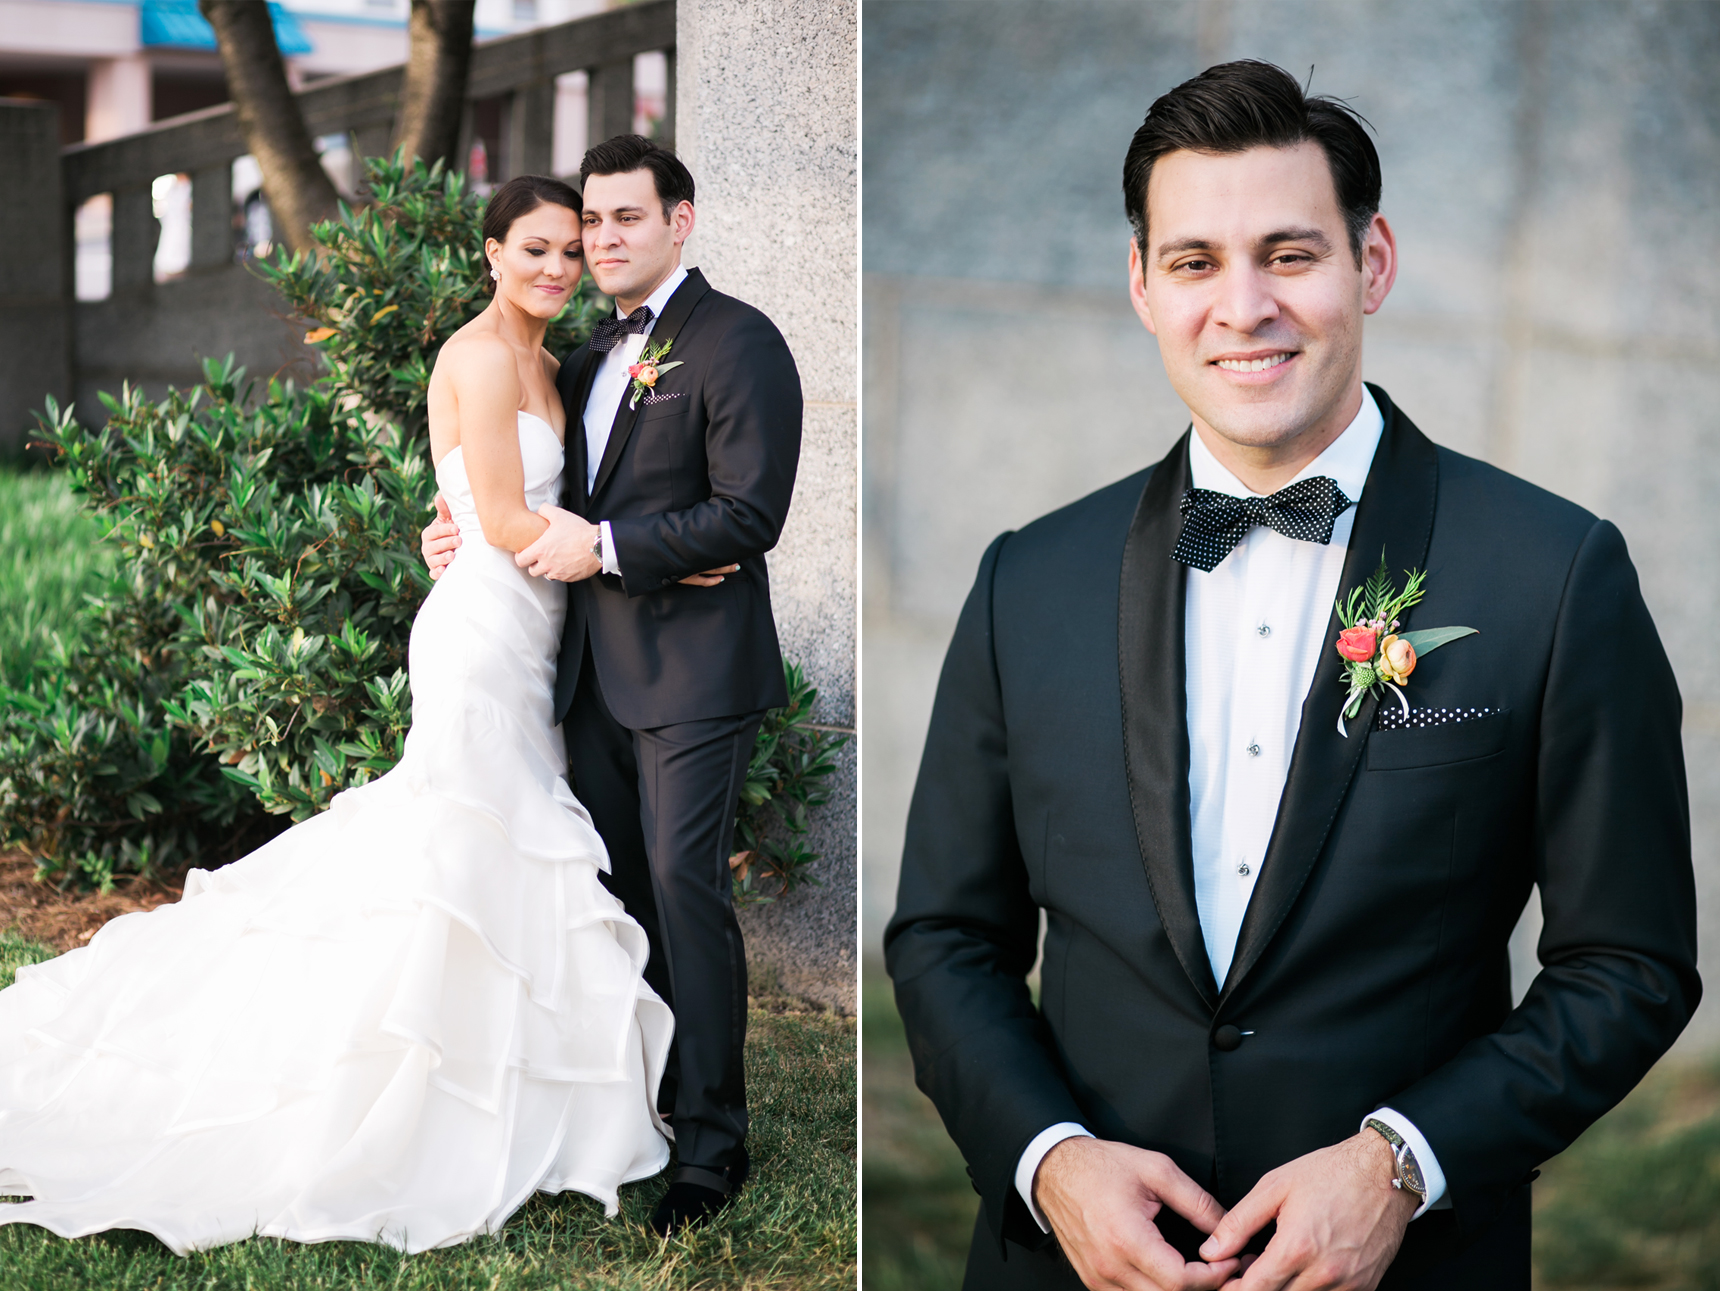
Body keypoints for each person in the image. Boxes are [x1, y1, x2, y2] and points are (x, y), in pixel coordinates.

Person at [884, 60, 1699, 1291]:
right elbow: (947, 936)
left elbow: (1628, 963)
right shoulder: (1025, 580)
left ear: (1370, 264)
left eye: (1289, 253)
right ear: (1141, 285)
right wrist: (1050, 1162)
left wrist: (1401, 1162)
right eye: (1196, 262)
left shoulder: (1554, 572)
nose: (1243, 305)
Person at [0, 176, 675, 1254]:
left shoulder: (560, 363)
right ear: (491, 251)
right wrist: (647, 546)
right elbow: (499, 514)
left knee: (497, 853)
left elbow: (466, 502)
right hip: (482, 636)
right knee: (462, 842)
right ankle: (397, 1089)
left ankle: (505, 1085)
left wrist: (453, 522)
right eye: (535, 249)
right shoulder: (476, 355)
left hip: (535, 634)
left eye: (569, 251)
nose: (556, 268)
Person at [421, 135, 803, 1236]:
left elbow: (749, 512)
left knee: (687, 892)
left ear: (680, 221)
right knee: (617, 895)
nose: (600, 242)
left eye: (624, 219)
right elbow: (519, 490)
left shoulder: (740, 343)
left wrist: (621, 546)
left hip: (690, 669)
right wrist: (454, 530)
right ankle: (637, 1102)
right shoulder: (581, 357)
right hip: (581, 671)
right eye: (591, 224)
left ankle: (712, 1143)